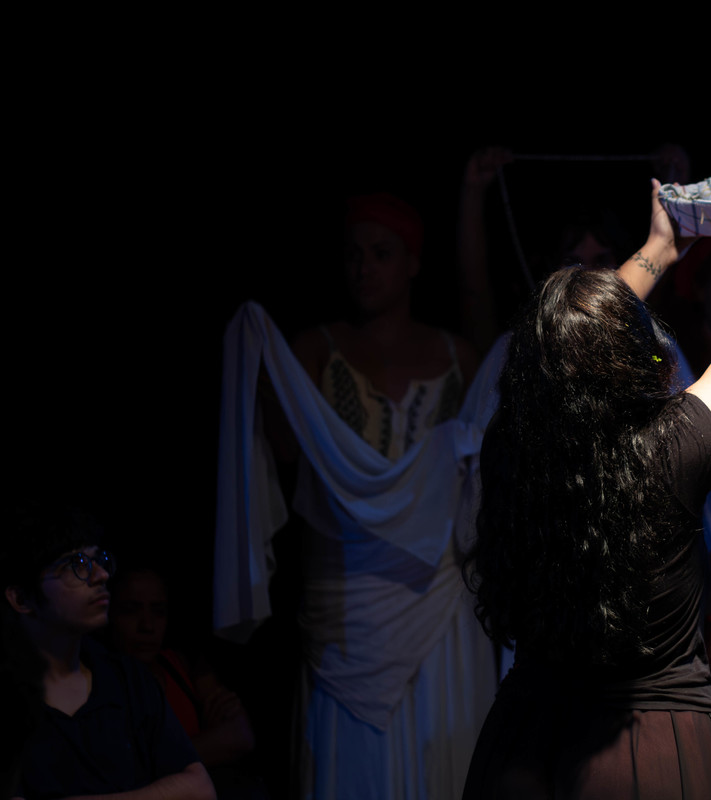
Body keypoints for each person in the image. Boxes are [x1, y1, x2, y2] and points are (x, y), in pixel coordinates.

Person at [461, 177, 711, 797]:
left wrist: (659, 247)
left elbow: (566, 345)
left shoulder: (507, 448)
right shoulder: (674, 448)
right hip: (654, 750)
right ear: (639, 352)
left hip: (525, 748)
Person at [214, 191, 496, 800]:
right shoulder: (316, 346)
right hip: (348, 589)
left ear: (413, 262)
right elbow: (285, 453)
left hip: (437, 591)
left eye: (381, 253)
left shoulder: (457, 354)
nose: (364, 268)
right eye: (353, 255)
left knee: (442, 752)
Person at [2, 503, 215, 800]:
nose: (101, 575)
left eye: (98, 561)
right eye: (77, 565)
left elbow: (200, 789)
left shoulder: (128, 678)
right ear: (22, 598)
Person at [106, 563, 263, 796]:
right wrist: (208, 742)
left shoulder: (182, 664)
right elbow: (126, 769)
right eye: (131, 610)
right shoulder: (100, 683)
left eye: (158, 611)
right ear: (109, 614)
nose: (147, 626)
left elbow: (240, 736)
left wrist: (159, 761)